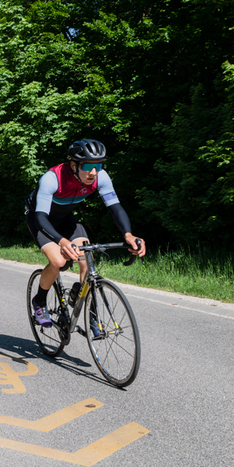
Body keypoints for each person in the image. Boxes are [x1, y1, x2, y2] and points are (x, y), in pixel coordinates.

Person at [25, 139, 145, 338]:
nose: (94, 172)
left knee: (86, 262)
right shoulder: (52, 178)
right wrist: (61, 242)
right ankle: (39, 300)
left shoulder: (100, 177)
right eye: (88, 166)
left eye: (98, 166)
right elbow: (40, 218)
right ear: (74, 165)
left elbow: (115, 208)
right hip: (40, 218)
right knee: (58, 261)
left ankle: (91, 316)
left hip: (65, 220)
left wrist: (128, 234)